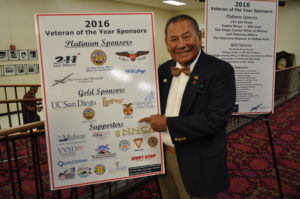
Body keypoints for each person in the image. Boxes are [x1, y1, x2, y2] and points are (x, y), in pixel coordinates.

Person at [139, 15, 236, 199]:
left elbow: (215, 120)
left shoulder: (221, 70)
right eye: (174, 39)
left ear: (199, 36)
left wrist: (168, 124)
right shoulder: (163, 69)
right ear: (166, 43)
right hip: (163, 158)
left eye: (187, 36)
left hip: (198, 161)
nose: (181, 44)